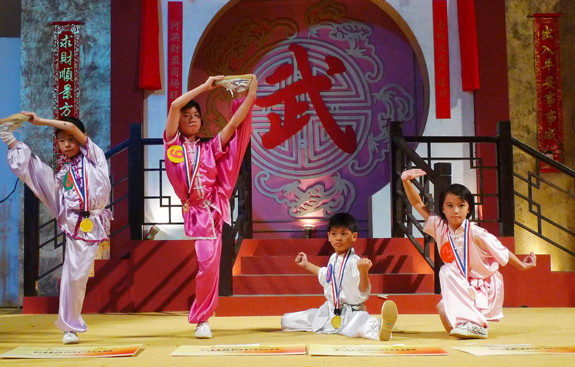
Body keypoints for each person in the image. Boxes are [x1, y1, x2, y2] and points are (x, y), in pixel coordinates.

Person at [0, 112, 111, 344]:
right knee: (39, 173)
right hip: (71, 214)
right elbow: (58, 190)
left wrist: (41, 122)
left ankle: (70, 324)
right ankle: (9, 138)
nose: (66, 144)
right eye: (61, 141)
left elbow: (70, 127)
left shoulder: (95, 157)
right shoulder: (66, 171)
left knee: (75, 276)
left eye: (71, 139)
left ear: (81, 137)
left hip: (91, 220)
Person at [164, 74, 257, 339]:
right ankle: (202, 317)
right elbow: (173, 107)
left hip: (214, 209)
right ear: (179, 123)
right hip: (195, 212)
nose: (192, 118)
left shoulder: (210, 147)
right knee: (205, 263)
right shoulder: (173, 144)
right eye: (187, 115)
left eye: (196, 114)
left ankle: (202, 319)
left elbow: (235, 125)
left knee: (210, 266)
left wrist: (248, 95)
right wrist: (205, 87)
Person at [401, 169, 537, 339]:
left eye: (461, 205)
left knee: (446, 270)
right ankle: (469, 324)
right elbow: (417, 204)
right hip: (461, 285)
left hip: (481, 286)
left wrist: (523, 265)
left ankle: (477, 325)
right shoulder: (440, 227)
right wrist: (406, 181)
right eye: (450, 206)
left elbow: (502, 250)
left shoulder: (476, 232)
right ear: (442, 208)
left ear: (468, 209)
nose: (455, 210)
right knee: (444, 311)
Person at [281, 212, 398, 341]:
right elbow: (326, 275)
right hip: (329, 311)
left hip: (352, 313)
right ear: (329, 237)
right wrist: (306, 264)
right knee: (287, 321)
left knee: (362, 325)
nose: (338, 238)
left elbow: (363, 290)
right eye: (334, 233)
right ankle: (373, 326)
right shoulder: (333, 258)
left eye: (344, 234)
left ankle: (381, 326)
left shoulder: (355, 261)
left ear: (354, 237)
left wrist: (364, 272)